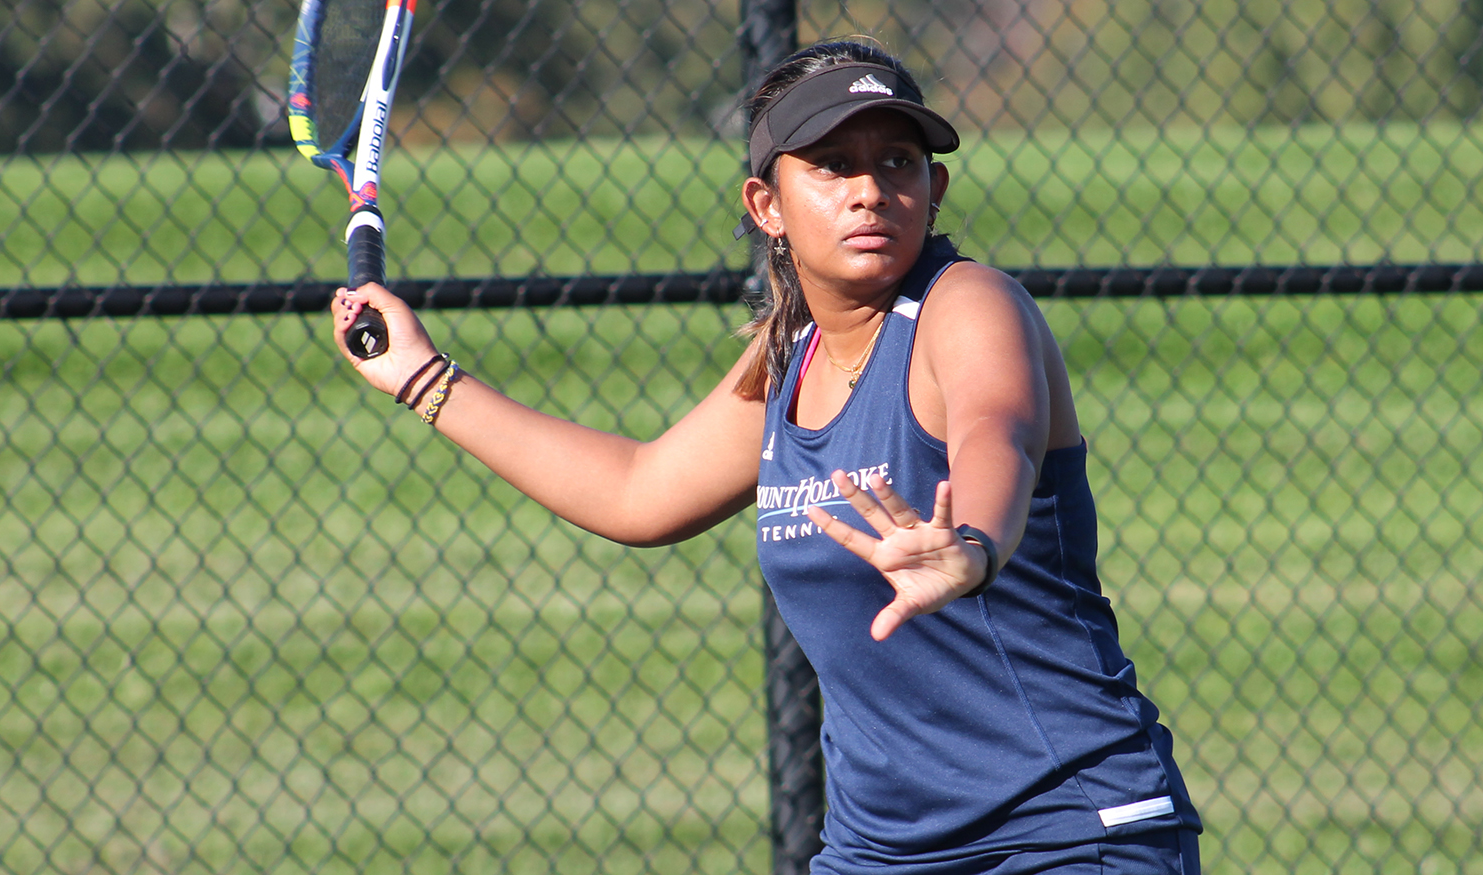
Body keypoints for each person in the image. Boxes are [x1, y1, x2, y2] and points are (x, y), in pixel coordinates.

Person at [330, 40, 1201, 874]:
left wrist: (970, 543)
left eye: (896, 163)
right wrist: (423, 377)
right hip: (881, 851)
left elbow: (994, 430)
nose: (869, 190)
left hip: (1067, 830)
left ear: (933, 189)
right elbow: (639, 492)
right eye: (830, 165)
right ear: (767, 206)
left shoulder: (968, 305)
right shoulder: (790, 356)